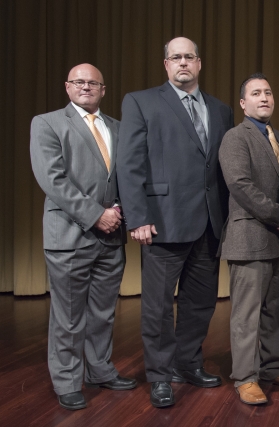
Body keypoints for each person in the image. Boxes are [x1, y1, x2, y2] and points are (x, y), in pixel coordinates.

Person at [117, 37, 234, 408]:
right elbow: (129, 163)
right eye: (175, 57)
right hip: (162, 222)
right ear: (166, 65)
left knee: (200, 303)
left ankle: (188, 364)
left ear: (199, 63)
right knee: (157, 307)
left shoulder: (221, 110)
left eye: (189, 57)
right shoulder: (141, 101)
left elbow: (221, 170)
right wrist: (137, 216)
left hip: (210, 224)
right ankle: (160, 374)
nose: (182, 62)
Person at [30, 64, 136, 411]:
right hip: (71, 235)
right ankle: (66, 380)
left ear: (103, 90)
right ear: (67, 87)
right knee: (70, 315)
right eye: (79, 82)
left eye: (93, 83)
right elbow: (53, 180)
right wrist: (96, 215)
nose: (86, 87)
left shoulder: (119, 129)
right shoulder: (47, 123)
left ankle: (100, 370)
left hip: (111, 236)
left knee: (103, 313)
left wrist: (120, 210)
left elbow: (126, 178)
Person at [218, 73, 279, 405]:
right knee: (248, 313)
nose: (264, 98)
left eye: (268, 92)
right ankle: (245, 377)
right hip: (252, 235)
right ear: (243, 103)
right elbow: (241, 185)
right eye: (256, 93)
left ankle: (274, 369)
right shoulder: (234, 137)